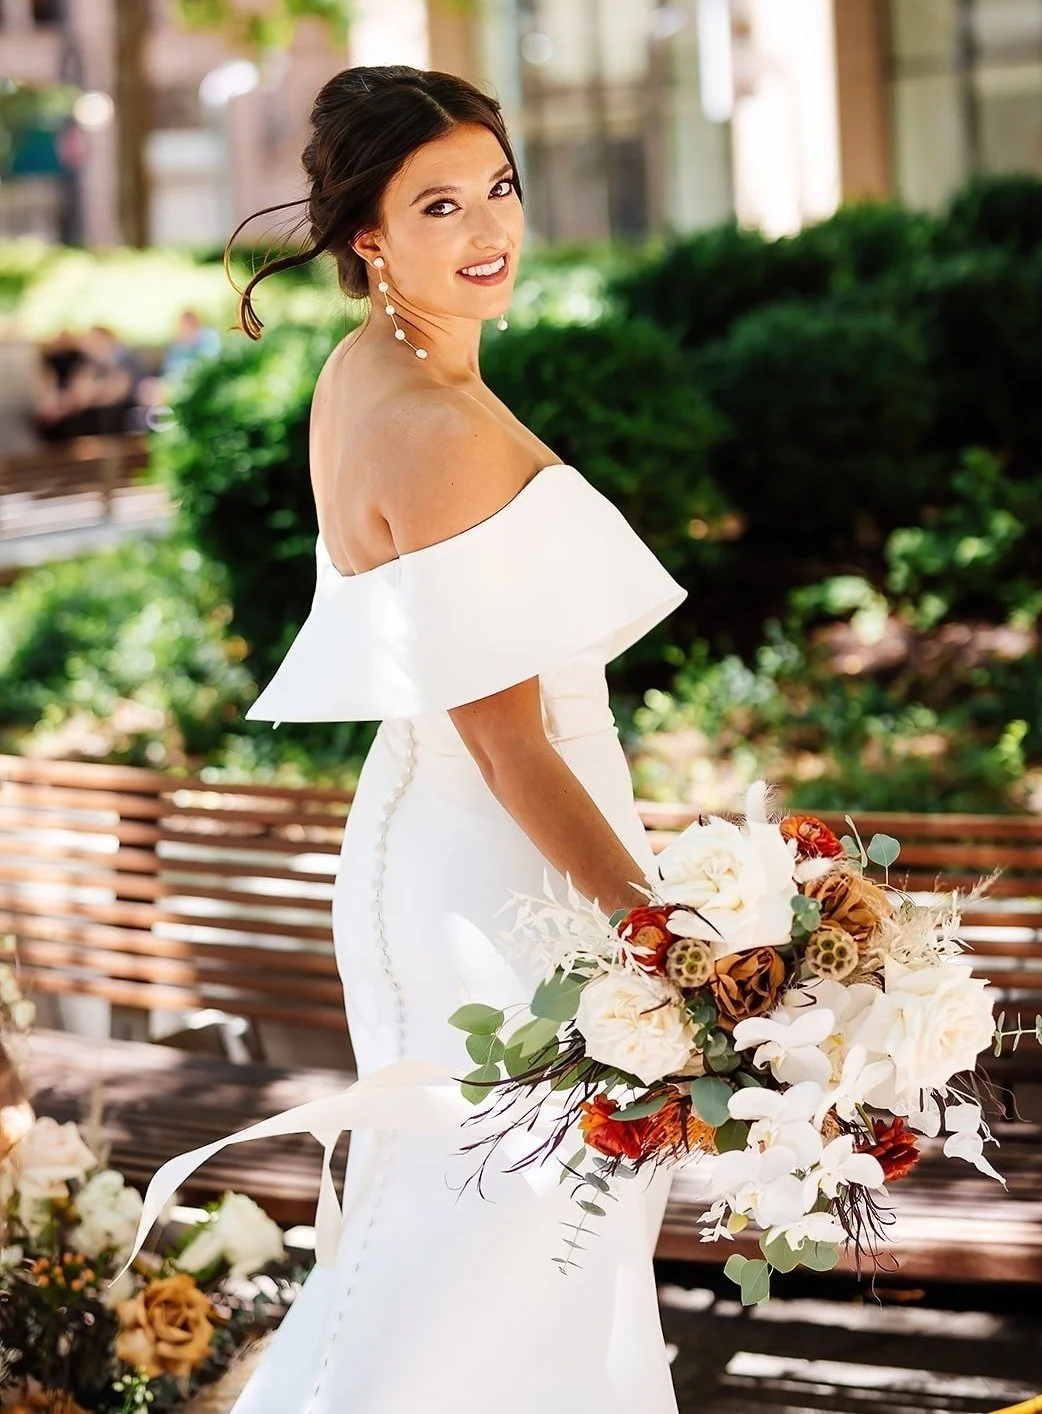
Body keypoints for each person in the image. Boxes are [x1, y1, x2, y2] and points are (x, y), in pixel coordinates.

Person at [126, 67, 687, 1412]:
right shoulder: (427, 421)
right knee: (488, 1245)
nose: (486, 227)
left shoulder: (383, 362)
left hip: (464, 840)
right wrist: (668, 940)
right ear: (368, 237)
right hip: (494, 867)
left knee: (517, 1242)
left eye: (496, 187)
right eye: (437, 204)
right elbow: (508, 746)